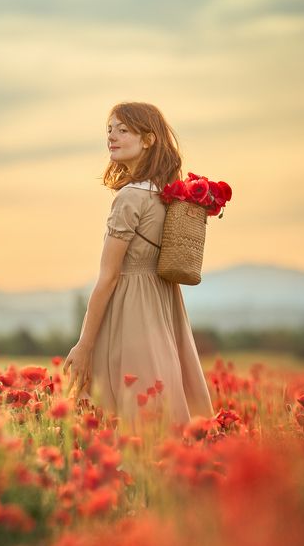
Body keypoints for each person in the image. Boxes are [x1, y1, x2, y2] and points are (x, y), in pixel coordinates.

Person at [63, 101, 215, 431]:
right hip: (162, 308)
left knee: (129, 414)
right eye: (109, 130)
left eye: (123, 130)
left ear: (148, 139)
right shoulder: (167, 196)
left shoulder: (129, 198)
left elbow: (108, 277)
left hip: (129, 313)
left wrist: (85, 345)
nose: (112, 137)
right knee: (160, 407)